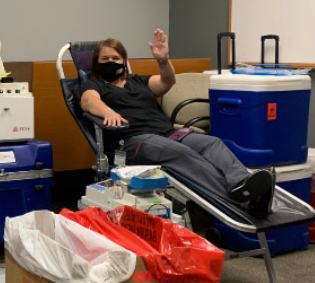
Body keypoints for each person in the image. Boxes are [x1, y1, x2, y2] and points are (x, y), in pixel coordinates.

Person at [80, 29, 274, 216]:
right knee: (182, 154)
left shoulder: (137, 81)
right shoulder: (95, 85)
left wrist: (163, 60)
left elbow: (167, 81)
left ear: (124, 61)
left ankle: (243, 184)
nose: (111, 62)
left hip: (167, 134)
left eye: (116, 58)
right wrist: (107, 110)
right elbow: (88, 101)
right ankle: (243, 201)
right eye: (105, 59)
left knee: (211, 143)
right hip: (133, 141)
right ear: (97, 64)